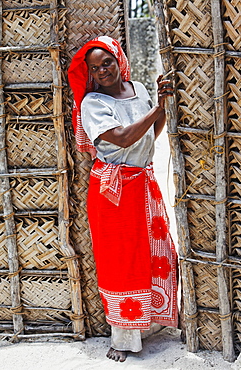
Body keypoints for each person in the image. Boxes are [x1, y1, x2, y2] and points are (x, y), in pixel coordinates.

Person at [68, 35, 178, 363]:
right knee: (120, 262)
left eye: (108, 63)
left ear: (119, 60)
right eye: (95, 68)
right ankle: (123, 337)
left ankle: (151, 324)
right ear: (88, 73)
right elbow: (121, 137)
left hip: (143, 182)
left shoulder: (140, 90)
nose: (103, 71)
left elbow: (148, 135)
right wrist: (159, 106)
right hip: (111, 192)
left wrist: (158, 103)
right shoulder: (93, 104)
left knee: (153, 252)